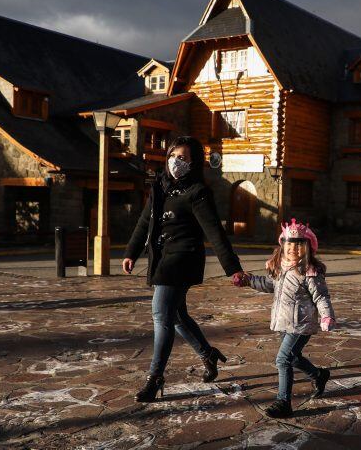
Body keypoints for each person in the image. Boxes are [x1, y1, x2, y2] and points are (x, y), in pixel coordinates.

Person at [122, 136, 248, 402]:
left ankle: (155, 378)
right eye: (172, 155)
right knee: (177, 316)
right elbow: (145, 222)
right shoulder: (160, 187)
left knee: (160, 313)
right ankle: (208, 354)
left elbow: (214, 231)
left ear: (193, 163)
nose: (175, 162)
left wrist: (232, 268)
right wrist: (130, 252)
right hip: (161, 257)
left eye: (183, 158)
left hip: (182, 258)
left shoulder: (197, 192)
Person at [234, 219, 335, 419]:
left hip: (301, 324)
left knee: (283, 360)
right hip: (283, 321)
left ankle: (283, 402)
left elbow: (321, 297)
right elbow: (269, 284)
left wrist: (327, 316)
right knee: (294, 358)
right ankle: (319, 375)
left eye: (298, 244)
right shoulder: (281, 268)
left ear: (307, 247)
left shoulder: (310, 272)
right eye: (289, 244)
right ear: (282, 245)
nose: (293, 248)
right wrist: (249, 280)